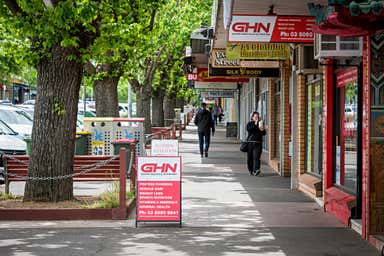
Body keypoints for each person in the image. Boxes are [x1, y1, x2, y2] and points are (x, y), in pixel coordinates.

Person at [246, 111, 266, 176]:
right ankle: (251, 170)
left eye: (258, 117)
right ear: (252, 117)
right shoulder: (250, 124)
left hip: (258, 143)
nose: (257, 118)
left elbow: (264, 133)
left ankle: (256, 170)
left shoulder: (260, 124)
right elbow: (250, 130)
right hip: (250, 143)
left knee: (256, 157)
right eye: (255, 117)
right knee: (250, 158)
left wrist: (262, 129)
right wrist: (255, 124)